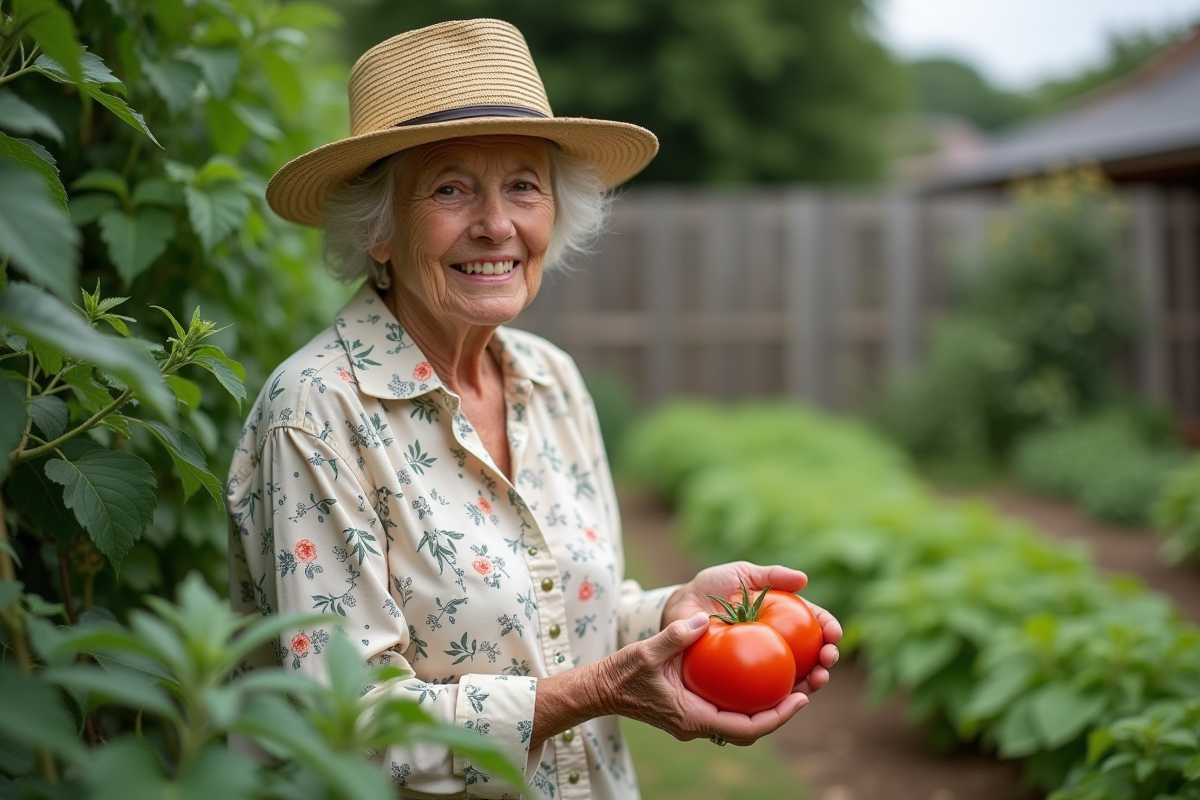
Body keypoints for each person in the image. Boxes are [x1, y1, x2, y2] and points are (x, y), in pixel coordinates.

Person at [227, 17, 841, 800]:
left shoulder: (551, 381)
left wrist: (671, 619)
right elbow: (347, 723)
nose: (497, 224)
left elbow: (572, 609)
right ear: (378, 230)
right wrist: (596, 692)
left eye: (523, 185)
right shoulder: (317, 411)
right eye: (450, 188)